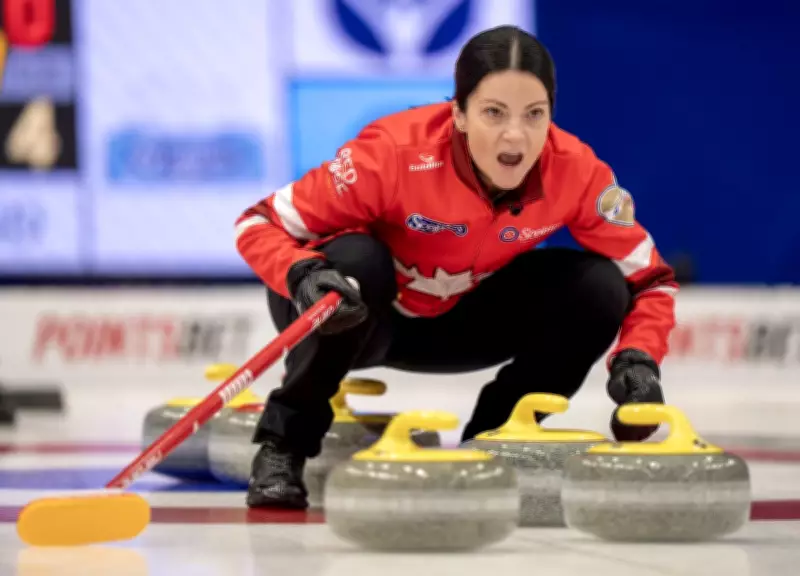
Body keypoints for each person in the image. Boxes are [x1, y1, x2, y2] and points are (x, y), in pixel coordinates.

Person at [235, 25, 678, 509]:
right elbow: (258, 222)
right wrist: (301, 276)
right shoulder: (393, 154)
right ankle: (283, 446)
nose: (516, 135)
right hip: (352, 317)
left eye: (535, 115)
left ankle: (494, 440)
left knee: (600, 287)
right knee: (361, 258)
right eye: (493, 113)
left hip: (455, 323)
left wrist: (639, 357)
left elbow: (652, 280)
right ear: (459, 114)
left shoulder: (577, 172)